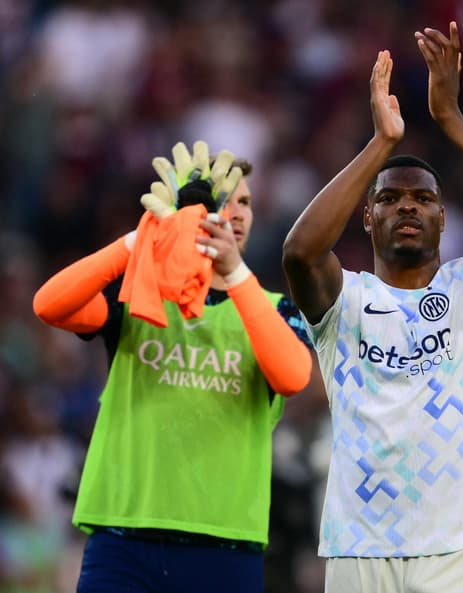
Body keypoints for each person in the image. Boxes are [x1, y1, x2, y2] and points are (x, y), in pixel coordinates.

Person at [282, 21, 463, 593]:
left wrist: (451, 119)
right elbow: (301, 252)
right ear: (367, 217)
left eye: (423, 198)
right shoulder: (345, 299)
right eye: (389, 198)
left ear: (442, 217)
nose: (408, 206)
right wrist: (380, 142)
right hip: (361, 546)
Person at [32, 143, 314, 593]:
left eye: (245, 202)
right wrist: (142, 238)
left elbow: (293, 376)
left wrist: (234, 273)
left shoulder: (276, 309)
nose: (235, 213)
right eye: (223, 201)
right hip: (123, 536)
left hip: (224, 544)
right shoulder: (140, 294)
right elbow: (49, 304)